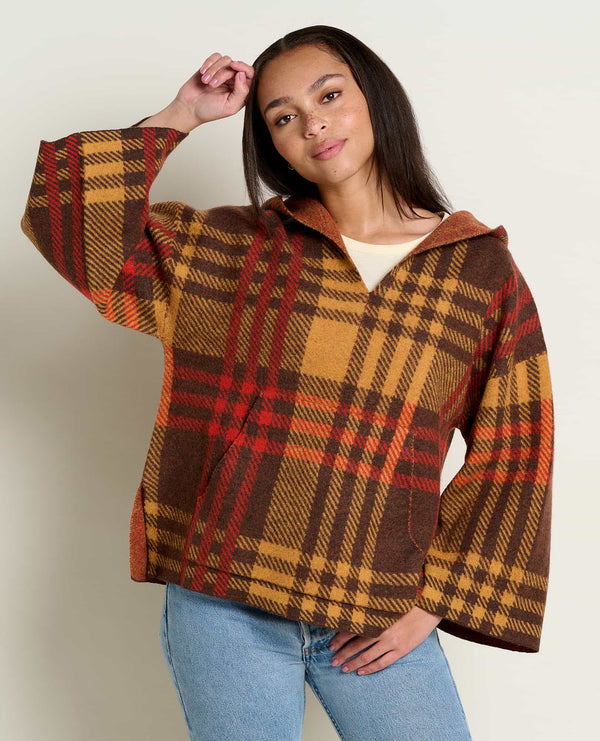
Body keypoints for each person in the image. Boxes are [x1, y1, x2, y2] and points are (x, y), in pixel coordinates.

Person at [20, 24, 554, 741]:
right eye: (282, 116)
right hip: (224, 600)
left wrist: (436, 600)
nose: (313, 124)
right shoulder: (232, 248)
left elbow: (517, 450)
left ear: (376, 97)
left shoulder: (478, 271)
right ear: (271, 143)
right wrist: (181, 115)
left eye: (329, 95)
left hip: (376, 604)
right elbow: (68, 222)